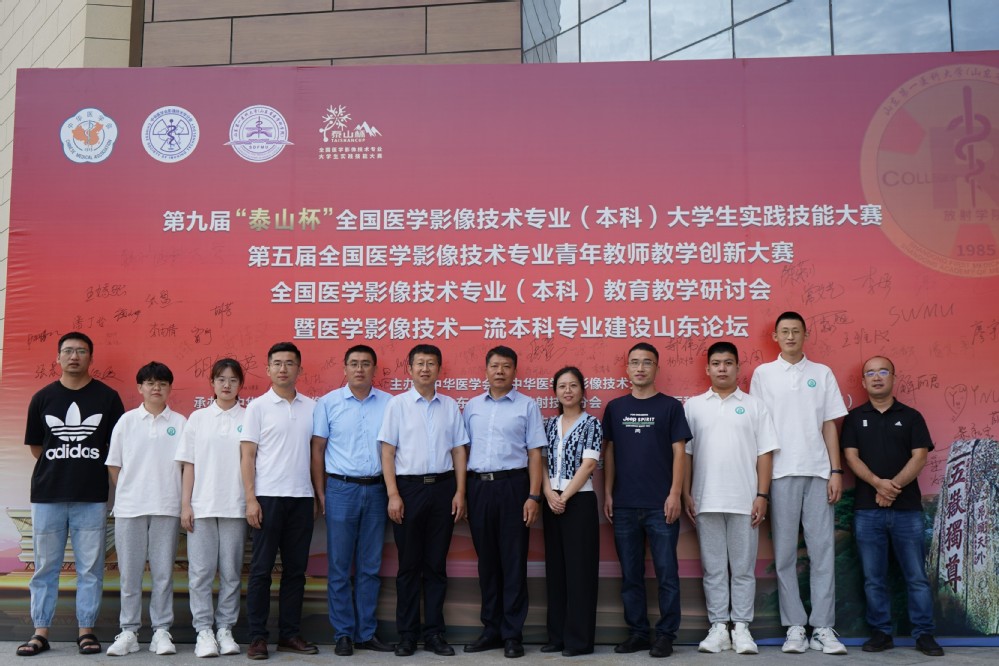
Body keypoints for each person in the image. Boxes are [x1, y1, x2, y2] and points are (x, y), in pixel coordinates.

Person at [18, 332, 125, 657]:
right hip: (47, 494)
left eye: (81, 351)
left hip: (91, 496)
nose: (74, 356)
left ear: (91, 357)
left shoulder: (108, 398)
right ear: (58, 357)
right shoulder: (42, 398)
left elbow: (116, 448)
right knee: (45, 567)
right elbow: (37, 446)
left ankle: (86, 631)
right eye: (68, 351)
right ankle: (40, 632)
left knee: (90, 568)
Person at [749, 311, 848, 655]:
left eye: (796, 331)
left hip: (819, 472)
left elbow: (829, 425)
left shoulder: (822, 373)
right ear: (775, 337)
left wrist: (836, 470)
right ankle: (794, 626)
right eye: (784, 331)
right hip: (780, 473)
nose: (790, 336)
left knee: (822, 552)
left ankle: (822, 627)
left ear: (806, 335)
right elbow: (760, 428)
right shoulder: (763, 374)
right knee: (785, 554)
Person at [842, 356, 944, 657]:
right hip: (867, 510)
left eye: (883, 371)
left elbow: (920, 457)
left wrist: (891, 488)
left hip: (907, 510)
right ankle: (881, 633)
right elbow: (850, 457)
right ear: (863, 382)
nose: (877, 377)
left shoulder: (911, 417)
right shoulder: (854, 418)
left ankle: (924, 634)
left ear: (893, 378)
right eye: (871, 373)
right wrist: (878, 484)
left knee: (916, 576)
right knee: (874, 578)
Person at [682, 342, 779, 655]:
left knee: (742, 569)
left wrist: (762, 494)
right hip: (705, 499)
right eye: (716, 363)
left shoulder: (754, 406)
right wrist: (686, 492)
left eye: (727, 363)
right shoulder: (693, 407)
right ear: (707, 368)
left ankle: (741, 627)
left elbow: (765, 453)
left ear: (738, 367)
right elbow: (685, 454)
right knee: (713, 569)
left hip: (744, 500)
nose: (722, 368)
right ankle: (719, 627)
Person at [378, 344, 468, 657]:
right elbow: (387, 452)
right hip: (408, 490)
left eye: (431, 363)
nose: (425, 369)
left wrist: (460, 492)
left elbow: (459, 451)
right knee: (408, 566)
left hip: (443, 489)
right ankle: (407, 635)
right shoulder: (397, 405)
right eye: (420, 363)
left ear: (439, 369)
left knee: (435, 566)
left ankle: (434, 634)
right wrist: (393, 493)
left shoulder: (450, 406)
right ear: (410, 369)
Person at [602, 342, 692, 659]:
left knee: (667, 574)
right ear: (627, 368)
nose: (640, 368)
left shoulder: (670, 407)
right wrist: (608, 492)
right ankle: (638, 633)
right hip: (624, 504)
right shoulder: (615, 408)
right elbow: (609, 452)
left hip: (660, 504)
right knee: (631, 575)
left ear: (657, 368)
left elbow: (680, 452)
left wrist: (674, 493)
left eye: (647, 362)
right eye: (635, 362)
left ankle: (666, 635)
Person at [462, 346, 545, 659]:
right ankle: (491, 630)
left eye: (506, 366)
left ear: (514, 371)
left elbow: (535, 453)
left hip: (514, 487)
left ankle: (512, 633)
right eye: (495, 366)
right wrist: (463, 493)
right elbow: (462, 452)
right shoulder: (472, 406)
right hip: (479, 488)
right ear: (486, 370)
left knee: (513, 561)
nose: (500, 371)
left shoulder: (527, 406)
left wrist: (533, 496)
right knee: (487, 562)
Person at [311, 345, 394, 656]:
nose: (360, 369)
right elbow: (318, 450)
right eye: (354, 364)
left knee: (370, 566)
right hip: (340, 489)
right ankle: (343, 633)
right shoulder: (328, 403)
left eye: (366, 364)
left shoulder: (389, 403)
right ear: (344, 368)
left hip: (377, 489)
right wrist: (321, 492)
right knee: (340, 565)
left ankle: (366, 633)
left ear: (375, 369)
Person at [241, 342, 318, 660]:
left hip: (301, 498)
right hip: (267, 498)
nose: (283, 368)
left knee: (296, 572)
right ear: (268, 368)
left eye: (289, 363)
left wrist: (316, 494)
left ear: (299, 369)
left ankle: (289, 634)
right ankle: (257, 637)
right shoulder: (257, 407)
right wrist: (251, 499)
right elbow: (247, 456)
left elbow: (316, 454)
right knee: (260, 571)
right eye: (277, 363)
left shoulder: (312, 407)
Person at [105, 361, 186, 656]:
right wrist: (132, 491)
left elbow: (187, 467)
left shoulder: (181, 423)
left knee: (163, 573)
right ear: (140, 387)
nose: (156, 388)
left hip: (167, 506)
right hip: (130, 508)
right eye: (150, 383)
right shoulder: (126, 422)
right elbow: (114, 465)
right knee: (130, 573)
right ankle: (128, 631)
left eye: (162, 383)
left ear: (170, 388)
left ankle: (161, 631)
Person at [176, 358, 247, 658]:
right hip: (202, 507)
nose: (226, 385)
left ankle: (225, 629)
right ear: (212, 383)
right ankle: (204, 631)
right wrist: (186, 505)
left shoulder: (249, 416)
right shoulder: (198, 418)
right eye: (221, 379)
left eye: (232, 380)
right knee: (201, 573)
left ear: (240, 384)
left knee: (231, 572)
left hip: (236, 506)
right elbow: (189, 465)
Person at [540, 366, 601, 657]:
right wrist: (548, 493)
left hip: (579, 502)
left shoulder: (592, 424)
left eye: (573, 385)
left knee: (580, 571)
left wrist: (563, 496)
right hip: (551, 501)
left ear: (582, 390)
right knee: (556, 571)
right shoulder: (548, 425)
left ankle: (579, 640)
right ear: (555, 392)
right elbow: (539, 462)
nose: (568, 390)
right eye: (562, 386)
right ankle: (557, 637)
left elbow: (589, 465)